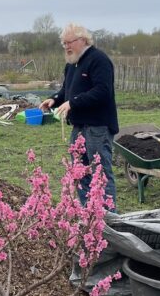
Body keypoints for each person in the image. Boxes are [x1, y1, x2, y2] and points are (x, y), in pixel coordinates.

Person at [39, 23, 119, 207]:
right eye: (63, 43)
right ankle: (88, 214)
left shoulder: (98, 60)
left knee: (100, 174)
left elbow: (102, 91)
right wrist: (54, 99)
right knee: (80, 172)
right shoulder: (72, 65)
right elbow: (67, 90)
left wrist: (73, 103)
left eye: (69, 42)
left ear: (82, 40)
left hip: (97, 127)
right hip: (79, 127)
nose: (66, 46)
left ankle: (109, 220)